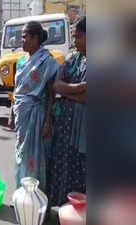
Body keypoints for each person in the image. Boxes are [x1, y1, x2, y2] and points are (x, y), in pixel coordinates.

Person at [13, 21, 60, 191]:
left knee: (36, 156)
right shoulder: (21, 61)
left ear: (35, 38)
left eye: (25, 37)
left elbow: (51, 94)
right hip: (22, 115)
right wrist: (12, 115)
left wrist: (48, 121)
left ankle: (36, 197)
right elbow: (16, 90)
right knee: (21, 154)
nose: (22, 40)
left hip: (37, 116)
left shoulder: (47, 61)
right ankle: (21, 193)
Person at [46, 16, 87, 207]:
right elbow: (56, 85)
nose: (75, 40)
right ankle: (64, 209)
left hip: (87, 130)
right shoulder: (72, 59)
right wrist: (79, 87)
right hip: (65, 126)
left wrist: (68, 91)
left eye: (78, 36)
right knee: (63, 166)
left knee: (83, 169)